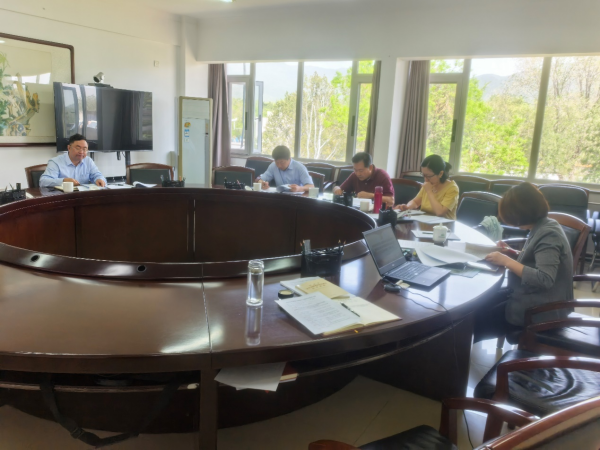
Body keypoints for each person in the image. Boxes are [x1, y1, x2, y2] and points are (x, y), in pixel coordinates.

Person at [473, 182, 574, 342]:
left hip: (542, 311)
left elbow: (545, 278)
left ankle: (456, 351)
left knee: (475, 320)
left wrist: (506, 261)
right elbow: (538, 259)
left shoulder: (548, 234)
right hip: (535, 298)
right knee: (480, 304)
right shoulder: (544, 225)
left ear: (520, 214)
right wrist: (513, 253)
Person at [394, 155, 459, 219]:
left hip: (444, 224)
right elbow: (416, 202)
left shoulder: (452, 188)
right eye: (423, 175)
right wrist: (407, 207)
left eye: (429, 176)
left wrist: (429, 191)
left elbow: (440, 212)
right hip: (425, 222)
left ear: (440, 173)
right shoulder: (429, 184)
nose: (426, 180)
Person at [39, 134, 107, 188]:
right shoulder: (55, 162)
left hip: (83, 197)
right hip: (62, 198)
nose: (81, 152)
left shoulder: (88, 161)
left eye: (84, 149)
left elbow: (97, 175)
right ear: (69, 148)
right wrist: (64, 181)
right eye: (78, 148)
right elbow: (43, 181)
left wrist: (99, 179)